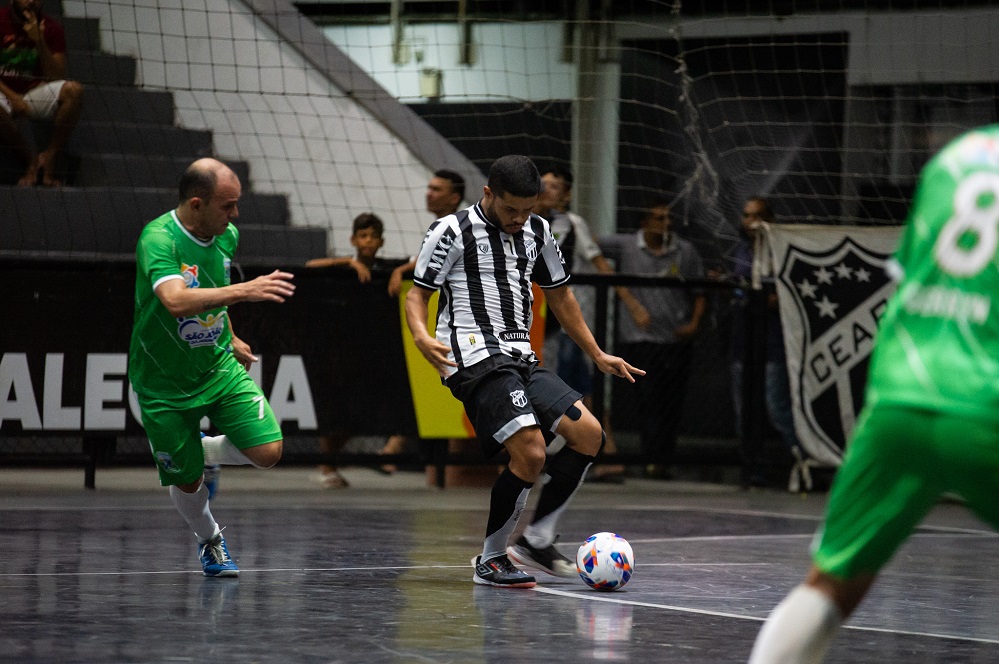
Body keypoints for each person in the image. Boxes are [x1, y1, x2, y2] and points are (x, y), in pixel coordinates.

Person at [747, 125, 999, 662]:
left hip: (899, 395)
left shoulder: (956, 159)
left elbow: (911, 277)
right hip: (986, 402)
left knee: (832, 580)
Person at [405, 154, 644, 587]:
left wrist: (596, 352)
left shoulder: (538, 230)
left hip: (520, 357)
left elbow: (561, 296)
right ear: (488, 193)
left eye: (528, 209)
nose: (519, 219)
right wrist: (421, 336)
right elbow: (417, 295)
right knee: (531, 452)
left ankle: (536, 539)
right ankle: (492, 559)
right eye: (510, 208)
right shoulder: (452, 230)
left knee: (589, 434)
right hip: (474, 357)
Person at [128, 158, 296, 577]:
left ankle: (202, 450)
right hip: (163, 380)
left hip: (217, 365)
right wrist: (246, 290)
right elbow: (176, 300)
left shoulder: (226, 235)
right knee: (187, 482)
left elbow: (212, 287)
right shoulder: (159, 239)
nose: (235, 214)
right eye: (228, 205)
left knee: (269, 452)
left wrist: (230, 334)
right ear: (197, 204)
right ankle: (211, 540)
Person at [534, 165, 638, 481]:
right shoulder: (524, 224)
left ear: (566, 195)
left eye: (553, 186)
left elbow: (600, 264)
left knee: (574, 389)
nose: (545, 190)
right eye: (542, 184)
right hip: (536, 322)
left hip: (567, 323)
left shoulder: (571, 224)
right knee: (553, 387)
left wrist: (632, 303)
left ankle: (599, 453)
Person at [599, 198, 706, 478]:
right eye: (659, 218)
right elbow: (590, 245)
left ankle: (664, 458)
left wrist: (694, 324)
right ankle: (650, 457)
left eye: (669, 219)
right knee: (647, 399)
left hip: (674, 338)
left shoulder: (684, 251)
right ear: (644, 222)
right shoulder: (626, 246)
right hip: (640, 338)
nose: (666, 224)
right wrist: (628, 298)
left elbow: (700, 292)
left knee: (672, 401)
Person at [305, 212, 403, 486]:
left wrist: (399, 272)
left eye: (373, 236)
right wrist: (348, 262)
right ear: (353, 240)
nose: (368, 241)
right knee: (337, 411)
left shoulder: (387, 268)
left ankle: (333, 462)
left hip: (375, 352)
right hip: (342, 351)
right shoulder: (344, 268)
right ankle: (327, 467)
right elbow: (310, 265)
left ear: (381, 241)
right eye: (363, 236)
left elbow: (421, 262)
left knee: (362, 414)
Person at [382, 169, 466, 474]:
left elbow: (435, 261)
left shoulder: (462, 228)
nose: (429, 193)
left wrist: (401, 270)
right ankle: (415, 459)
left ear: (454, 197)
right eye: (428, 187)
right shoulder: (438, 228)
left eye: (437, 189)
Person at [727, 196, 804, 488]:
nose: (752, 222)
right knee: (744, 411)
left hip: (774, 342)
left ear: (770, 219)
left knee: (776, 406)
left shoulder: (782, 252)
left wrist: (774, 299)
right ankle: (751, 468)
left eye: (758, 216)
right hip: (742, 342)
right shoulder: (740, 252)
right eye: (747, 216)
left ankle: (803, 461)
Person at [0, 0, 83, 186]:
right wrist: (13, 97)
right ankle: (30, 157)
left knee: (74, 91)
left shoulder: (52, 28)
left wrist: (39, 40)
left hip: (33, 92)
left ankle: (50, 157)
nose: (31, 1)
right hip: (3, 91)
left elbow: (56, 77)